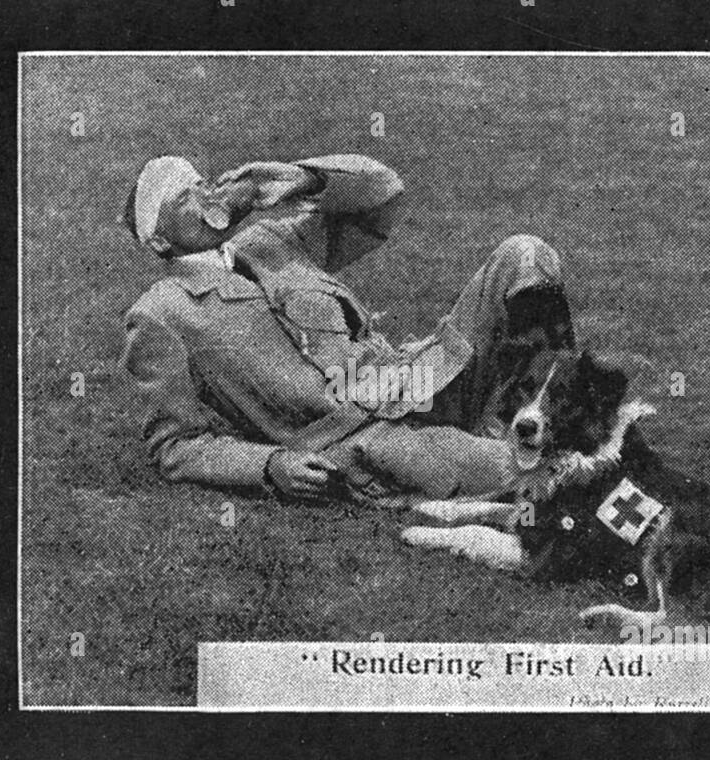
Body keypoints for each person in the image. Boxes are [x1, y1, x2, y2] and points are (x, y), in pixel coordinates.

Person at [119, 153, 575, 505]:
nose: (204, 198)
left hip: (419, 379)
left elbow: (383, 198)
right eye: (183, 199)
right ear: (159, 240)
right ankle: (555, 451)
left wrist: (303, 180)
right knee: (549, 470)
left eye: (201, 185)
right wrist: (270, 465)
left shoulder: (272, 241)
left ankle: (560, 406)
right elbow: (176, 446)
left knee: (525, 256)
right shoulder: (160, 312)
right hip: (367, 441)